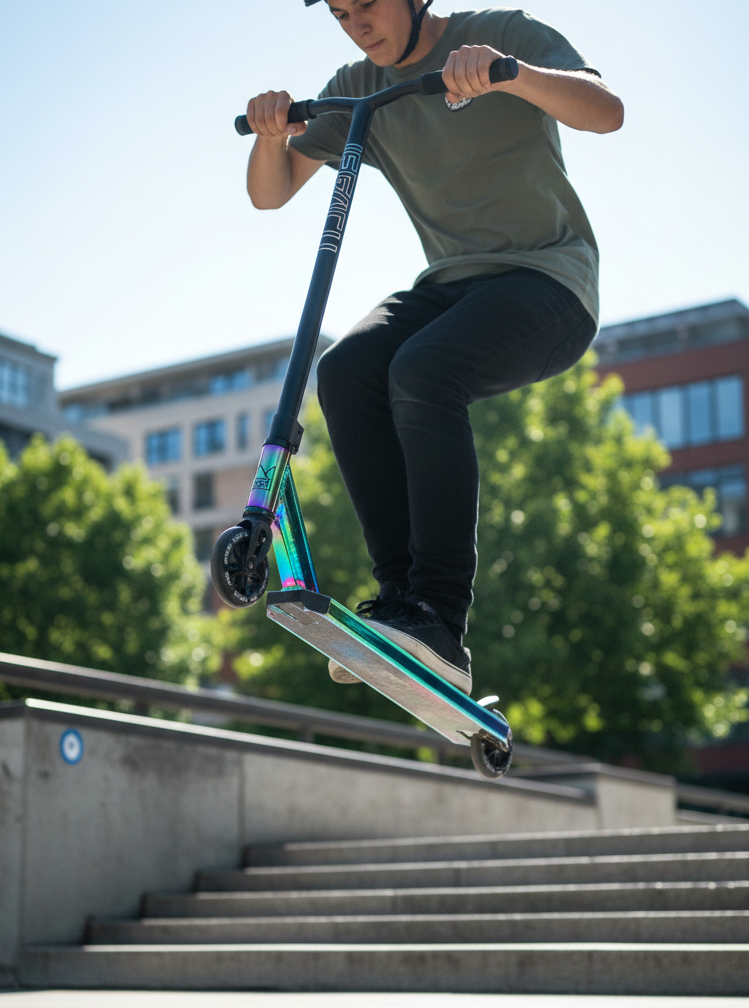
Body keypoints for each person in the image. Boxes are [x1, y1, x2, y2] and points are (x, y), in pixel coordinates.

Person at [244, 0, 623, 694]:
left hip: (549, 282)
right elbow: (269, 194)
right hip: (453, 284)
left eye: (367, 4)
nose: (357, 23)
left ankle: (440, 618)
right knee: (349, 370)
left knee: (422, 370)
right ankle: (401, 609)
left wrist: (507, 75)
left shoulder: (502, 34)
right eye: (339, 13)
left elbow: (606, 110)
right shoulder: (359, 87)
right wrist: (270, 133)